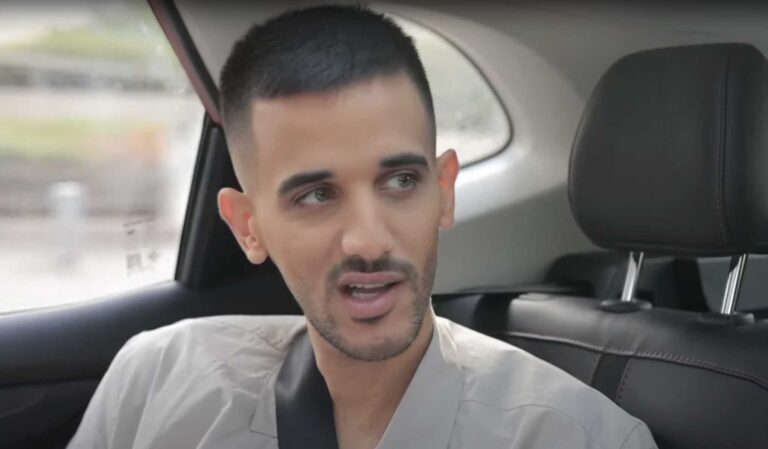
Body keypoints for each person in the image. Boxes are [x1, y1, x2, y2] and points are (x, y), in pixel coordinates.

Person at [67, 5, 657, 449]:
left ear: (443, 191)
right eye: (316, 195)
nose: (369, 241)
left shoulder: (580, 438)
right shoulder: (154, 378)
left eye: (400, 181)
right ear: (248, 227)